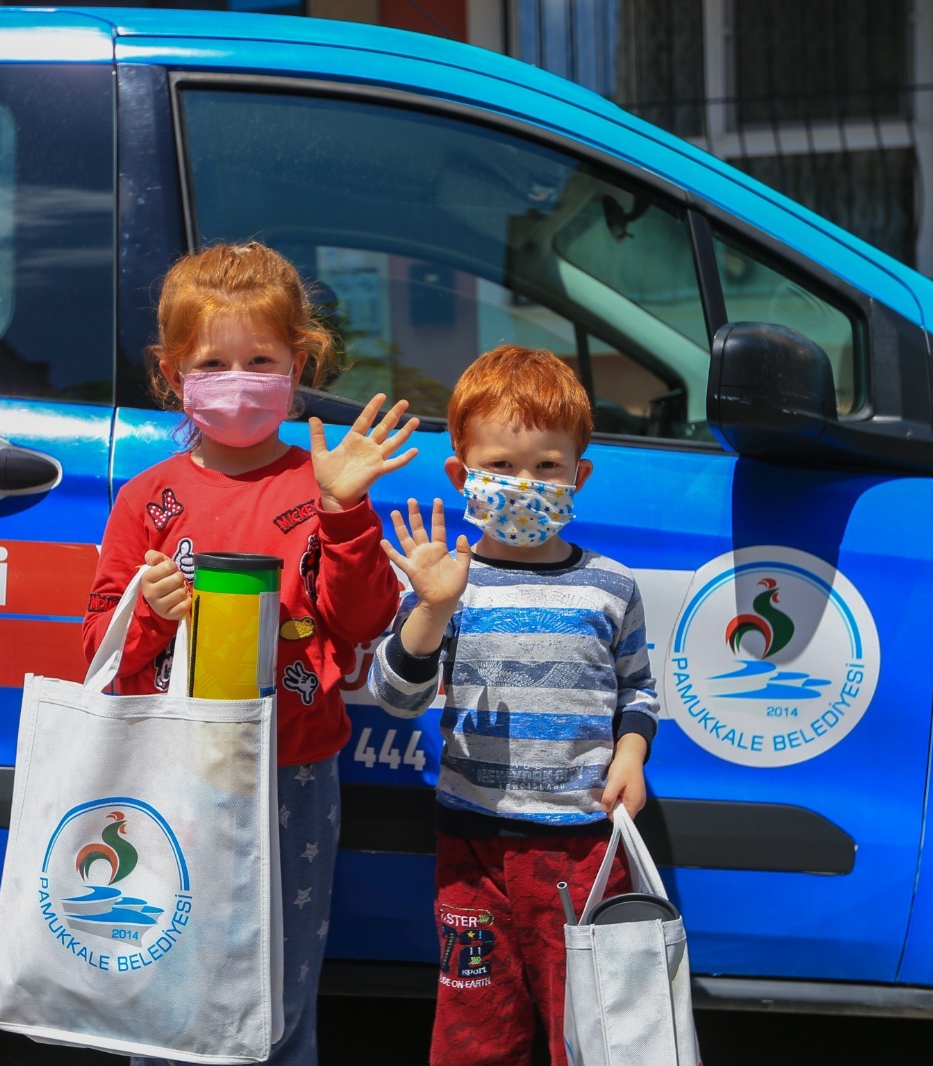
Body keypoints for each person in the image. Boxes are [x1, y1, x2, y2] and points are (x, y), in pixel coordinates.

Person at [80, 241, 415, 1066]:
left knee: (279, 976)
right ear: (172, 372)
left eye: (260, 359)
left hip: (293, 770)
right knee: (167, 966)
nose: (238, 378)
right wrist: (151, 615)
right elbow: (101, 648)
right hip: (173, 771)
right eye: (213, 362)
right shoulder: (148, 496)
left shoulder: (324, 480)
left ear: (299, 360)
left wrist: (344, 513)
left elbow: (363, 621)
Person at [365, 344, 659, 1066]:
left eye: (547, 467)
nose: (524, 484)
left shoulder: (610, 585)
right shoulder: (450, 582)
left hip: (583, 847)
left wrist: (631, 752)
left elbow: (638, 689)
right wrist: (431, 610)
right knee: (475, 1027)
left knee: (587, 1024)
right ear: (463, 476)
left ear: (578, 476)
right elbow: (396, 696)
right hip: (475, 850)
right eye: (500, 467)